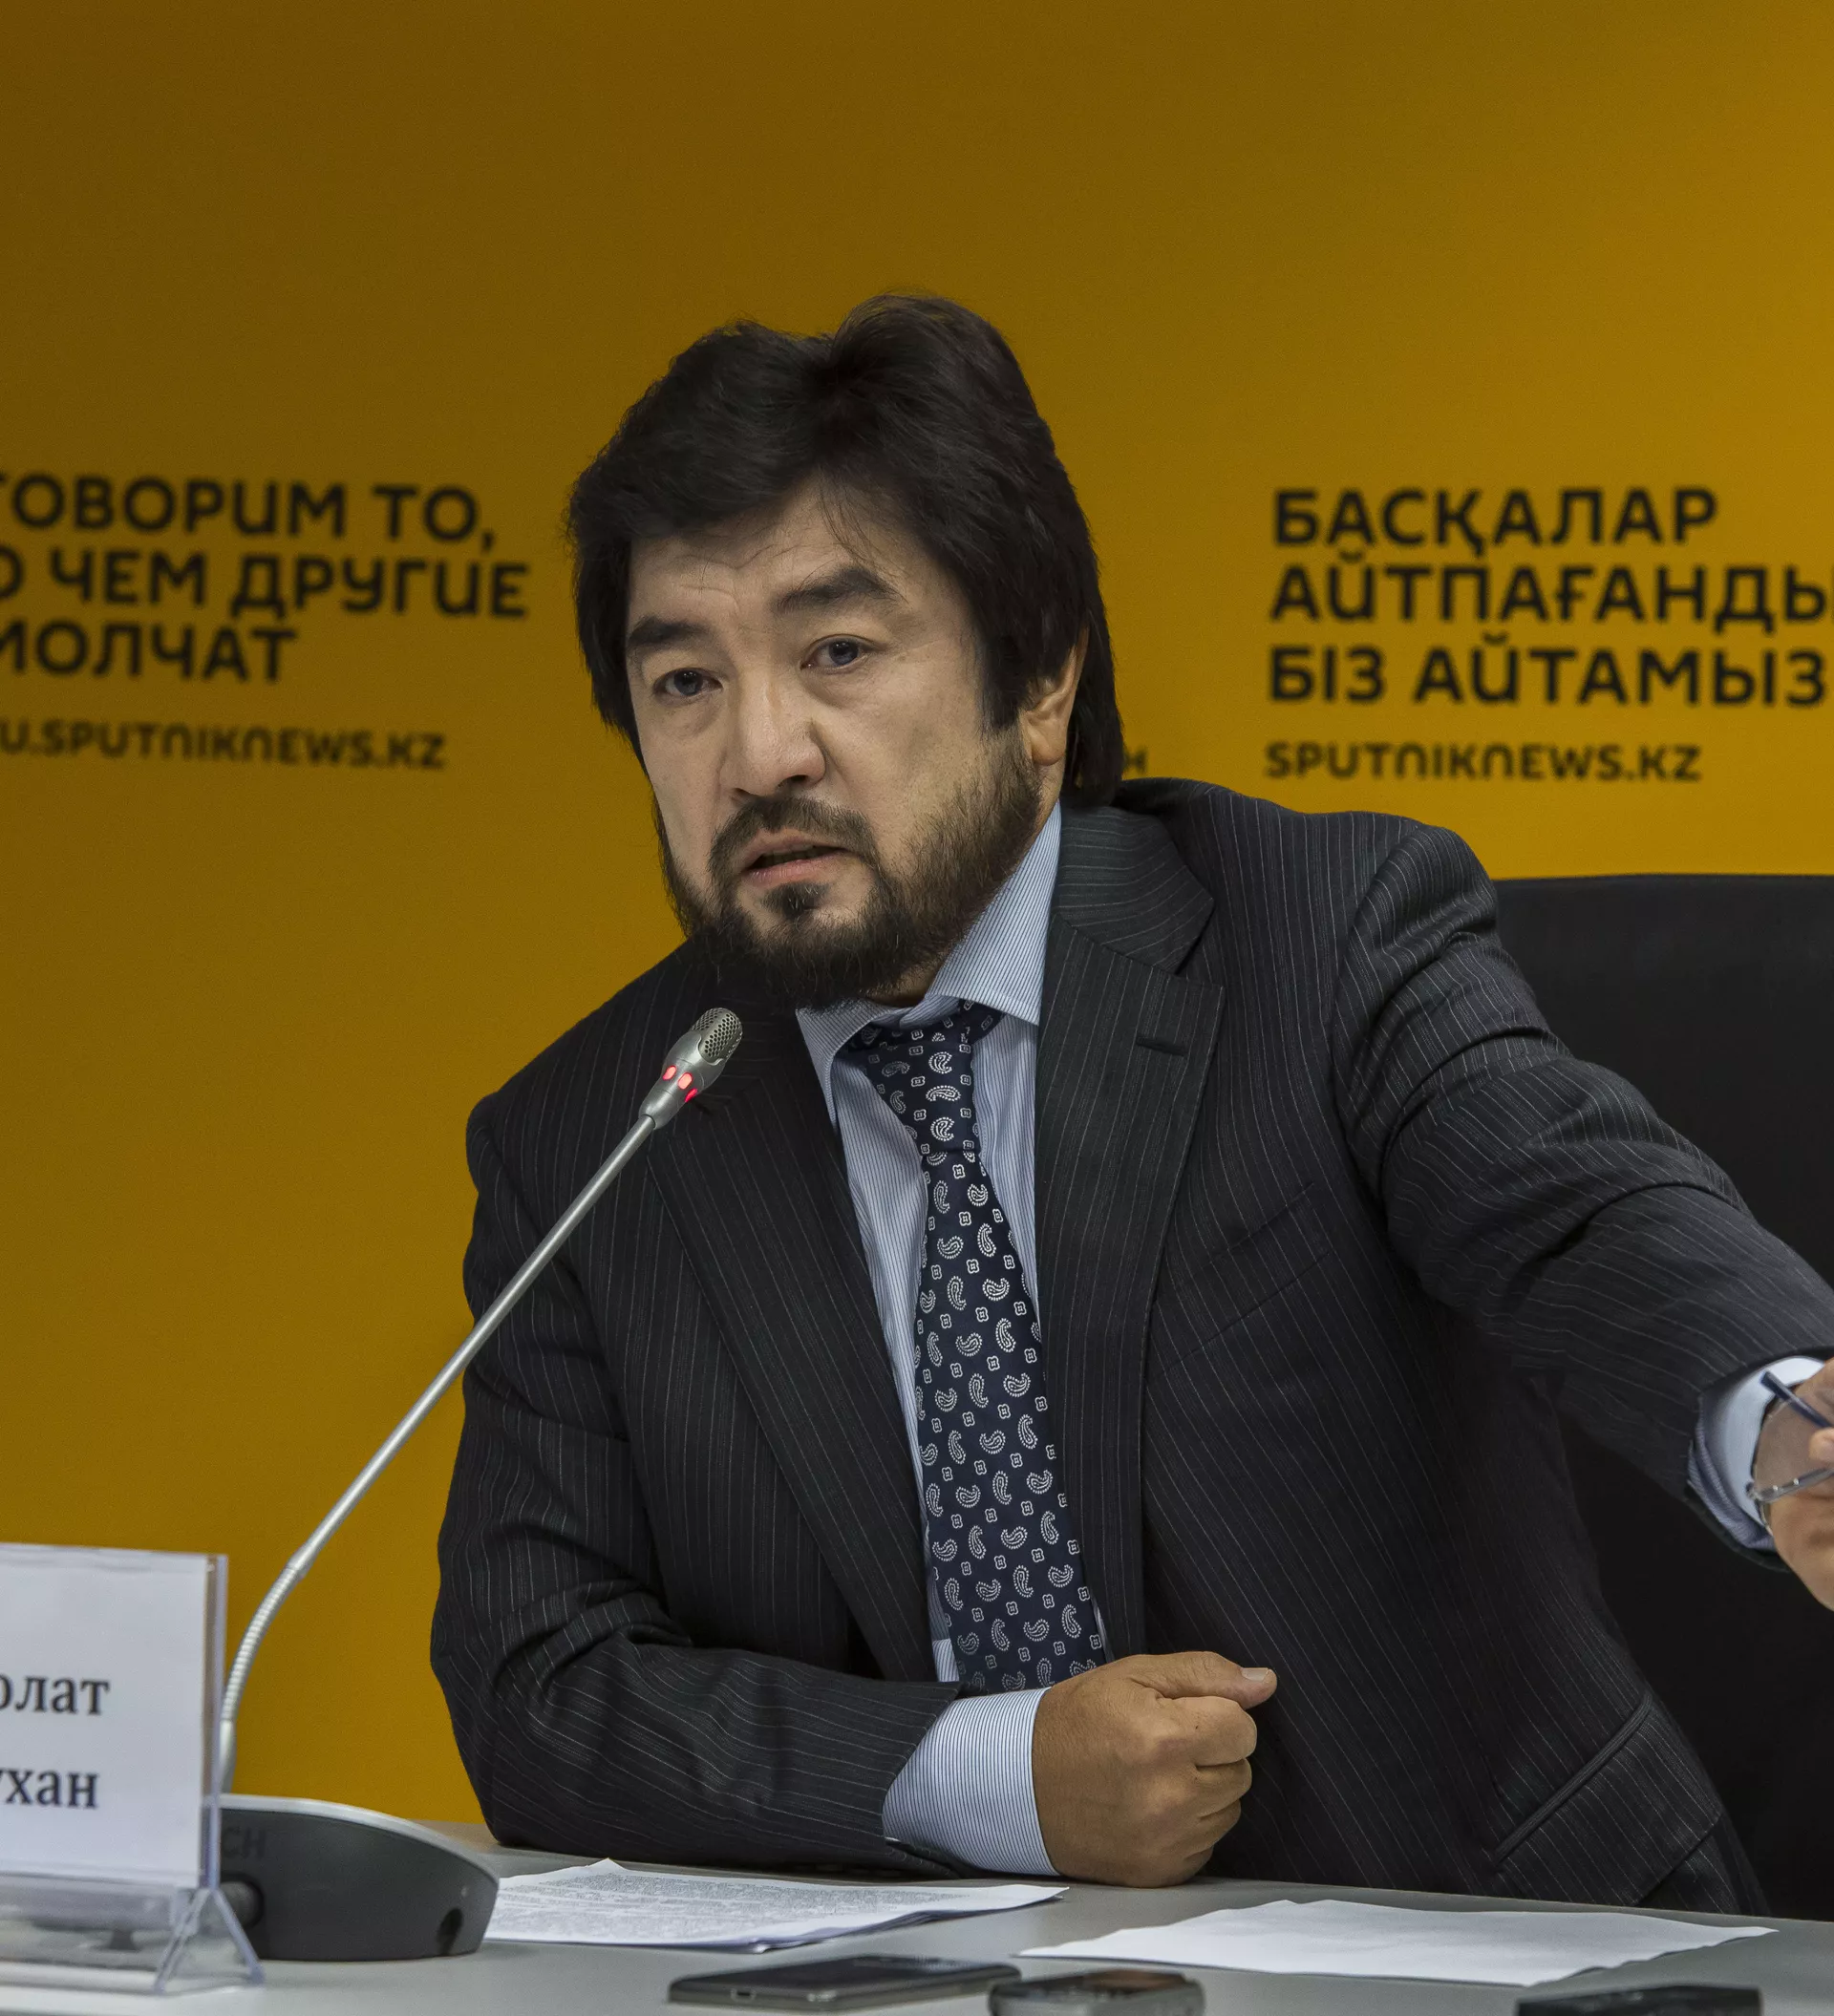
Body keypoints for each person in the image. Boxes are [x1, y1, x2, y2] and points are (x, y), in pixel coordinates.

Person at [432, 295, 1834, 1909]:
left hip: (1486, 1939)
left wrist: (1788, 1422)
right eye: (684, 680)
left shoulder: (1316, 936)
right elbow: (540, 1686)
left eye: (838, 652)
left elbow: (1574, 1208)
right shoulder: (600, 1137)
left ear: (1040, 682)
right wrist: (989, 1775)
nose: (758, 753)